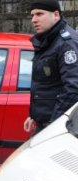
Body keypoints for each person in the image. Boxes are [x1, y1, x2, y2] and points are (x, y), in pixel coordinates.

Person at [24, 0, 78, 135]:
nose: (34, 20)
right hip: (47, 122)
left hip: (59, 126)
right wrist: (34, 116)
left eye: (39, 14)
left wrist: (53, 124)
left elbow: (73, 88)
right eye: (32, 15)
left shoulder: (67, 43)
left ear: (56, 15)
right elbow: (46, 85)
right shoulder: (48, 40)